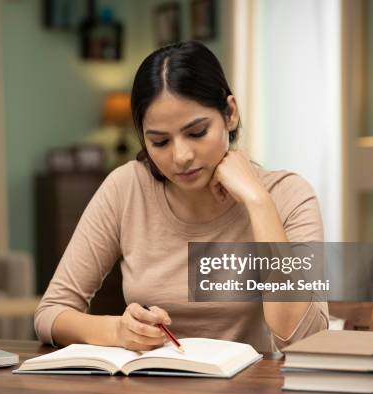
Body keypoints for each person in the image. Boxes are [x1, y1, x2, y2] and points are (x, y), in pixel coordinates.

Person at [34, 41, 328, 352]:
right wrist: (117, 330)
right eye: (160, 142)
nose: (181, 156)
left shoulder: (288, 196)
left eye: (197, 132)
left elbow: (304, 337)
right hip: (152, 393)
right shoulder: (126, 187)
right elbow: (49, 314)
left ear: (230, 114)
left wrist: (257, 201)